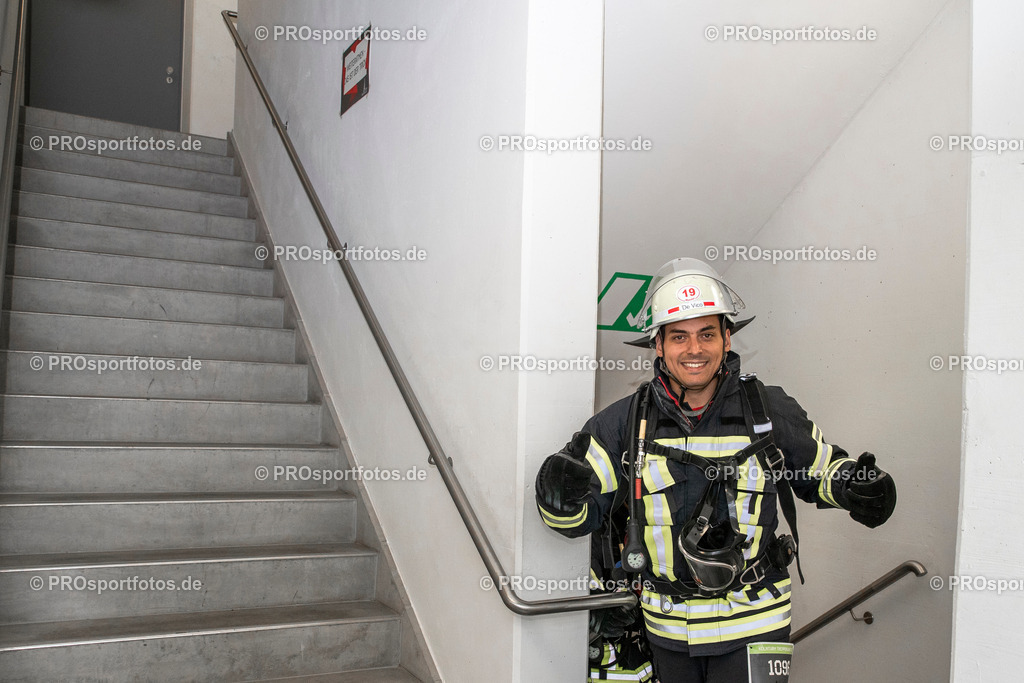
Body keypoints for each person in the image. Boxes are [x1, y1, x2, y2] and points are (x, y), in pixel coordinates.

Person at [536, 258, 897, 682]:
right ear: (658, 345)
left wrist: (859, 485)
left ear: (727, 337)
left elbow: (819, 470)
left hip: (756, 621)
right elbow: (577, 519)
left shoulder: (767, 409)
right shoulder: (623, 425)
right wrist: (557, 494)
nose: (694, 349)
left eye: (707, 333)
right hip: (667, 630)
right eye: (679, 337)